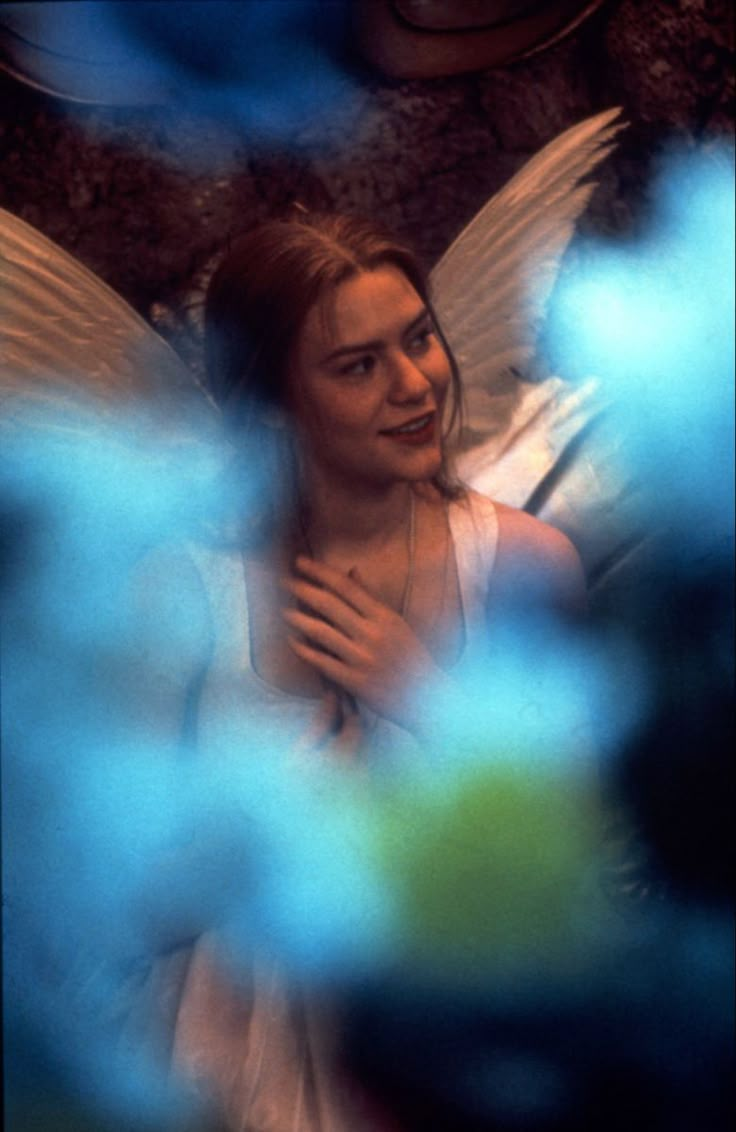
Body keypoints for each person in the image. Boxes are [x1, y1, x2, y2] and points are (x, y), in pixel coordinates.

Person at [168, 210, 587, 1131]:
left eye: (419, 340)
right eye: (357, 365)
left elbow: (577, 866)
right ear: (274, 398)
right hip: (244, 1065)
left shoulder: (525, 566)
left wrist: (422, 697)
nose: (415, 386)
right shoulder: (192, 596)